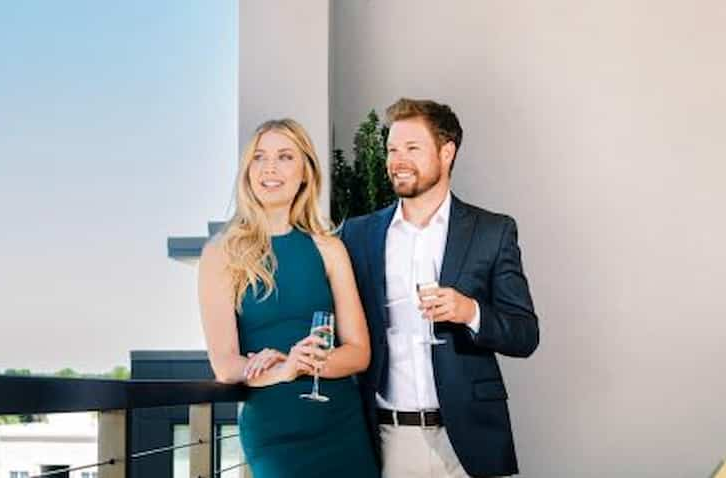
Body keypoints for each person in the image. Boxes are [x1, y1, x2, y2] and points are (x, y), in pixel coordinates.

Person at [339, 98, 540, 477]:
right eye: (392, 149)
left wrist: (471, 312)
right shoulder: (357, 234)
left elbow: (525, 334)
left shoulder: (492, 232)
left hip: (471, 439)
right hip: (388, 439)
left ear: (446, 152)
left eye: (412, 148)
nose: (397, 160)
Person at [198, 118, 379, 477]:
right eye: (259, 157)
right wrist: (284, 369)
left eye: (284, 157)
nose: (269, 167)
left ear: (305, 173)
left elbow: (359, 352)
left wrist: (306, 362)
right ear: (248, 170)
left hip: (340, 425)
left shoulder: (329, 249)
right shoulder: (220, 254)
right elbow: (225, 365)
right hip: (274, 433)